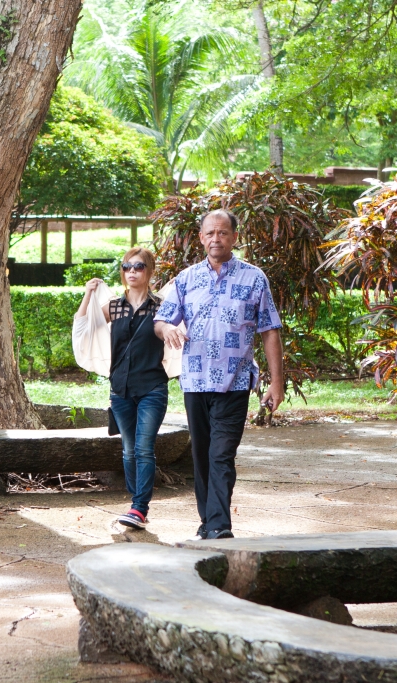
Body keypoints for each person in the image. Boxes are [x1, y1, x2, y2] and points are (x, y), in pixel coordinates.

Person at [154, 209, 284, 540]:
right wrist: (167, 329)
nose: (216, 238)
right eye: (210, 233)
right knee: (202, 455)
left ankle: (218, 526)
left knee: (221, 455)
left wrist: (276, 383)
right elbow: (161, 320)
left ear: (234, 238)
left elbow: (270, 330)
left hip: (235, 381)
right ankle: (208, 523)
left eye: (223, 233)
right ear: (201, 238)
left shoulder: (254, 278)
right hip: (195, 381)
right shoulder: (185, 279)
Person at [75, 247, 169, 530]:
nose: (132, 272)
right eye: (127, 267)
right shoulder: (115, 306)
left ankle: (139, 507)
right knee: (128, 451)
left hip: (152, 386)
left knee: (143, 448)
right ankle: (136, 502)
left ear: (149, 271)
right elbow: (84, 326)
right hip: (120, 389)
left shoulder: (161, 305)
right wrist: (88, 294)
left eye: (139, 267)